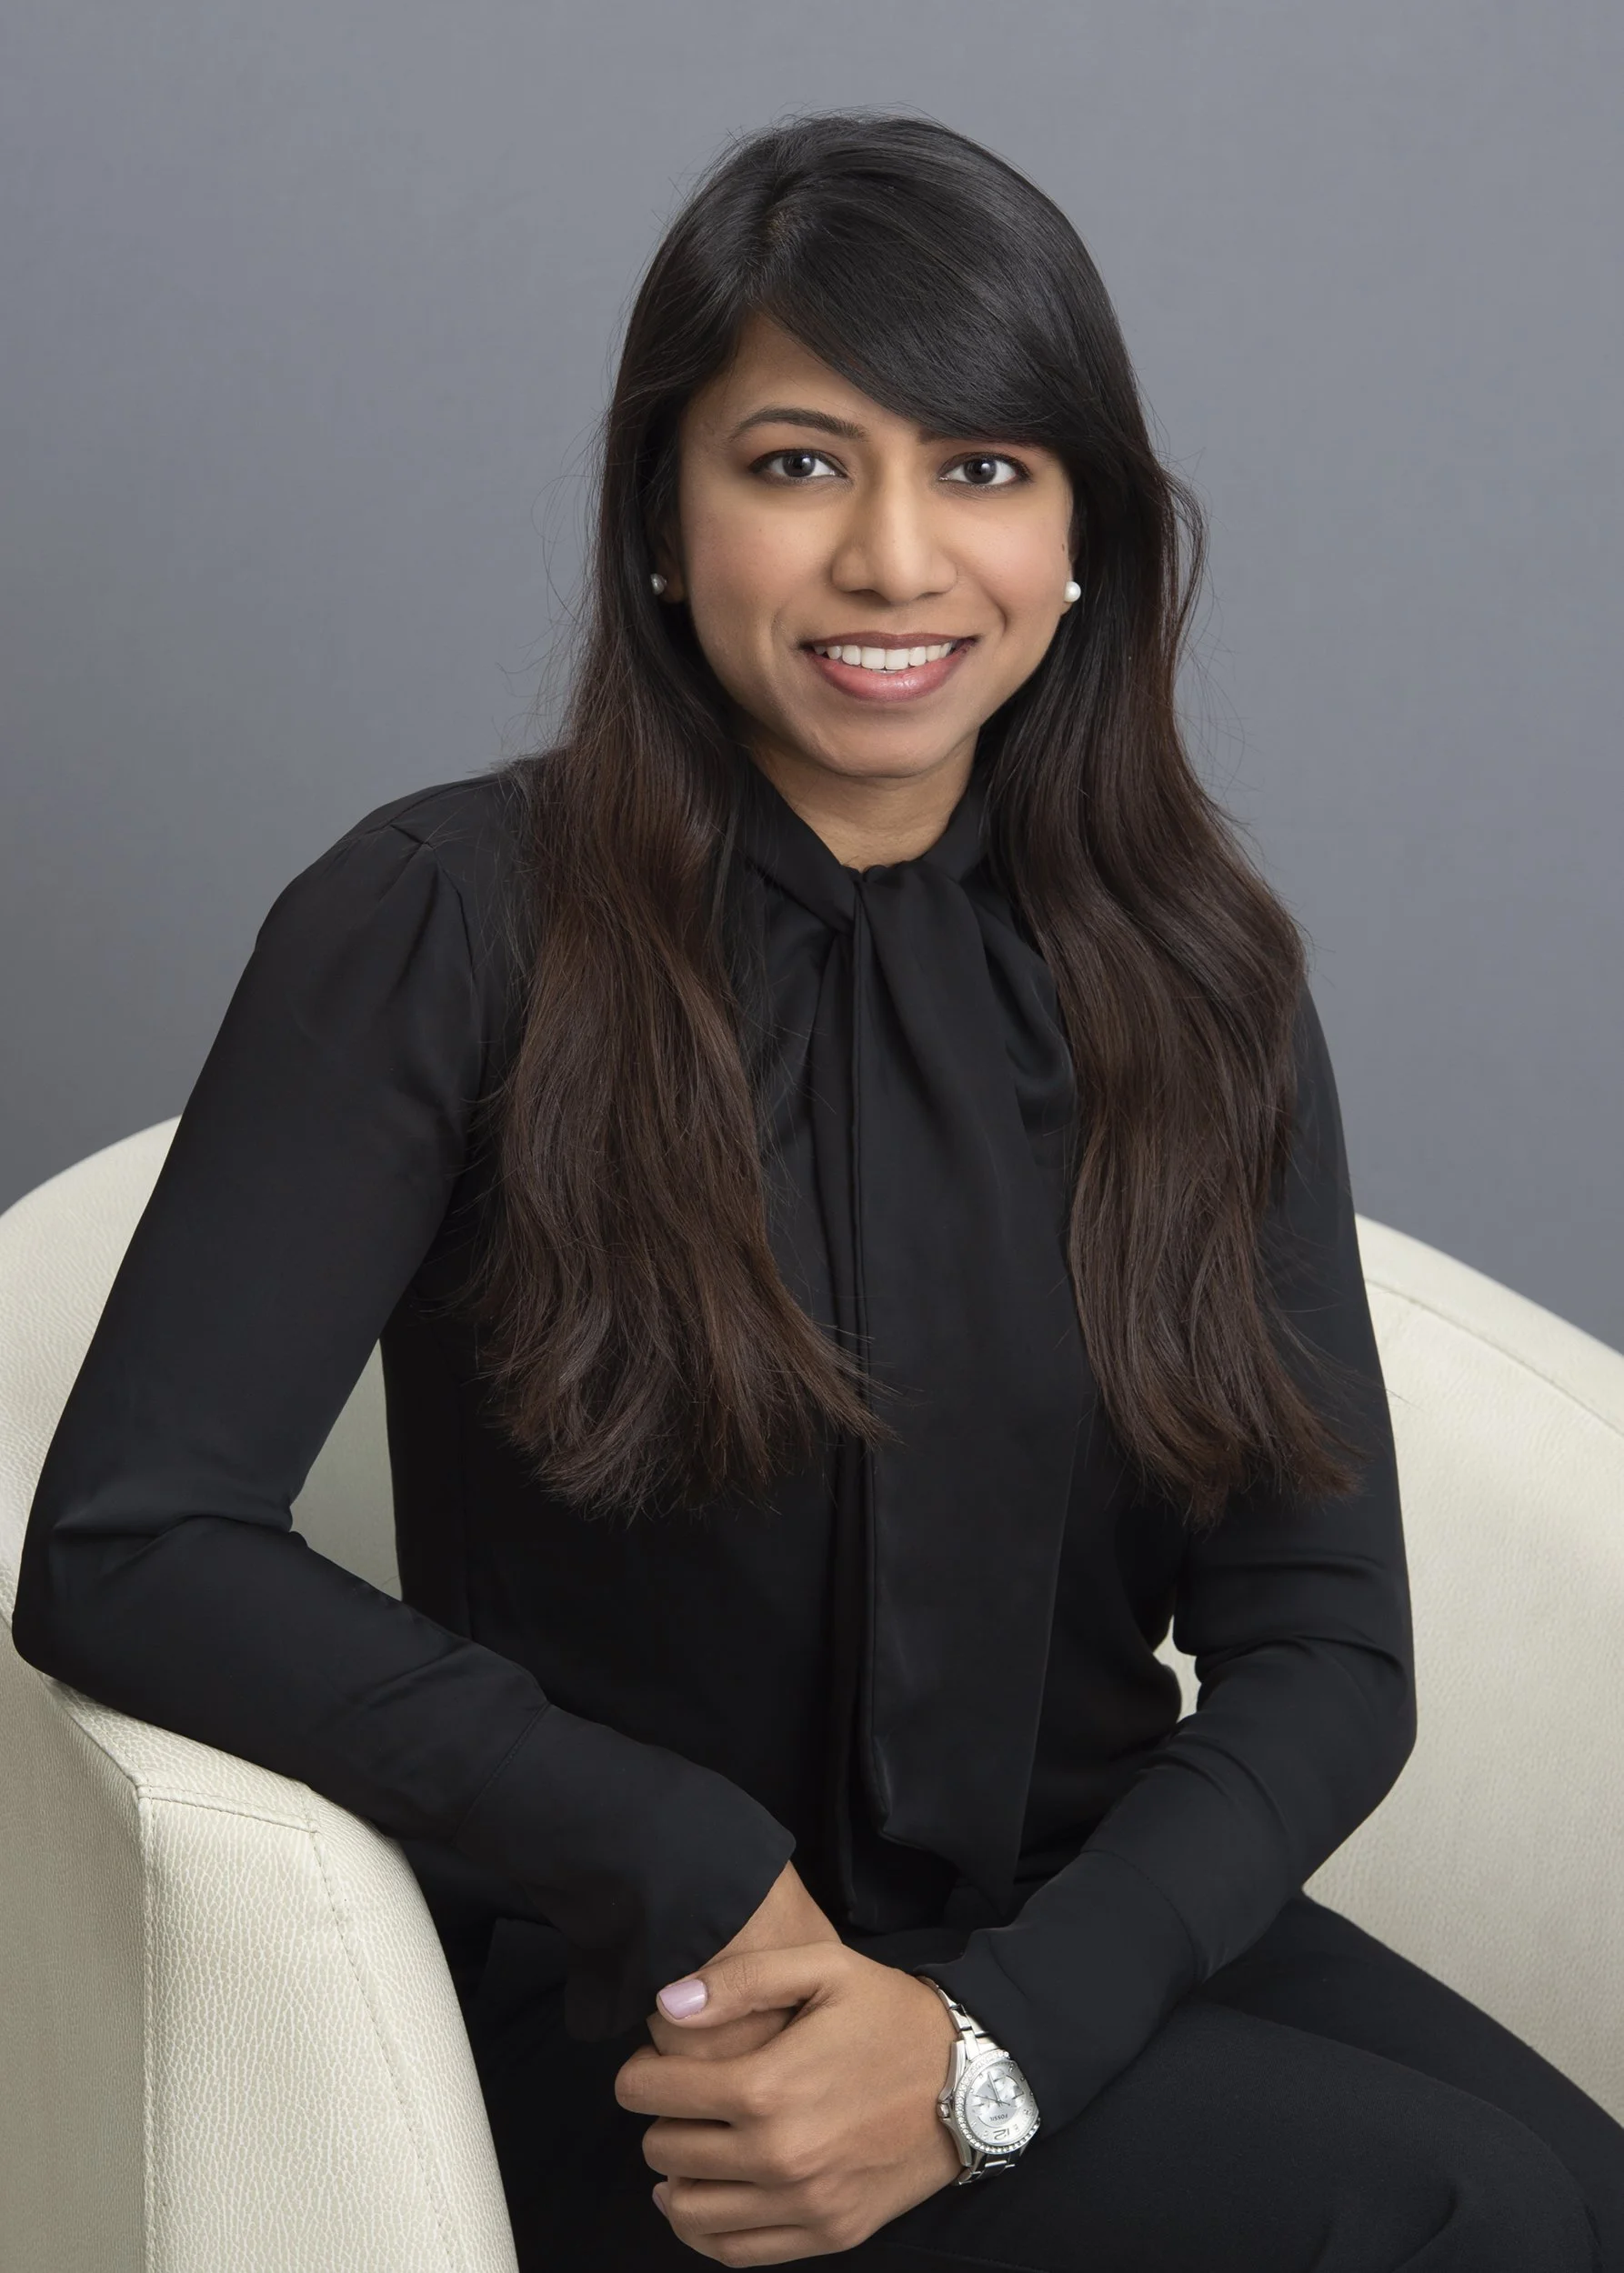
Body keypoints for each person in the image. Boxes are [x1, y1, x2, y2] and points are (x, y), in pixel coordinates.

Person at [14, 111, 1623, 2272]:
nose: (892, 559)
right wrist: (662, 1845)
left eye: (980, 469)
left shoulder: (1195, 984)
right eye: (795, 462)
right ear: (664, 524)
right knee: (1467, 2213)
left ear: (1080, 541)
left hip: (1075, 1955)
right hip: (653, 1999)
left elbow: (1321, 1645)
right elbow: (131, 1540)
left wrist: (991, 2043)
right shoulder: (440, 922)